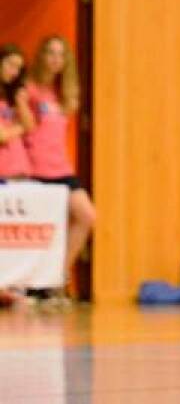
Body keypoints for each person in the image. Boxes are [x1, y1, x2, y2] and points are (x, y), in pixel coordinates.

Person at [24, 36, 94, 298]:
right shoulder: (28, 90)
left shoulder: (62, 94)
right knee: (38, 229)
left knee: (86, 215)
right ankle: (32, 284)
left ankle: (56, 277)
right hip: (35, 168)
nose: (55, 59)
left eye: (61, 54)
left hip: (61, 168)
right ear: (41, 56)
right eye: (51, 53)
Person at [0, 45, 34, 182]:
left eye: (18, 68)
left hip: (20, 167)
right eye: (11, 65)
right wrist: (21, 127)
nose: (14, 72)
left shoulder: (9, 96)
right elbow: (2, 136)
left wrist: (21, 101)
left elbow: (31, 125)